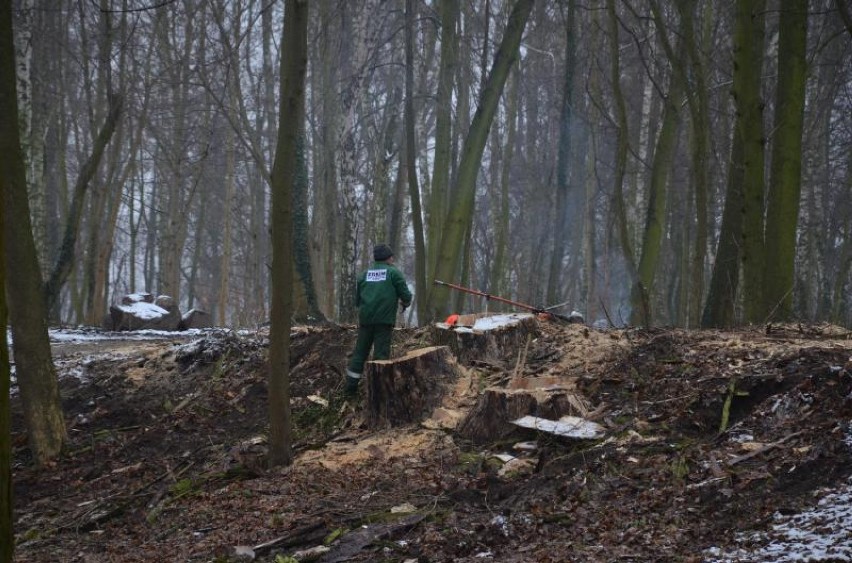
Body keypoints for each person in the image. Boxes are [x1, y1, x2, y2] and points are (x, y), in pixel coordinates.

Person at [344, 243, 412, 397]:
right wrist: (405, 302)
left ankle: (350, 389)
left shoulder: (364, 274)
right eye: (392, 256)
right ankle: (377, 392)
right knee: (381, 355)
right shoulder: (394, 273)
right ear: (389, 258)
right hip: (384, 321)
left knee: (360, 353)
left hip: (366, 320)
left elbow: (357, 300)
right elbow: (406, 295)